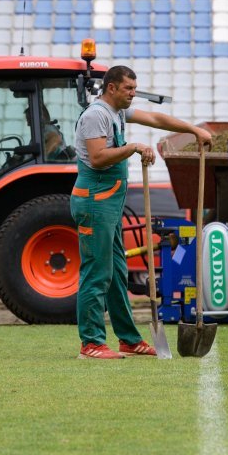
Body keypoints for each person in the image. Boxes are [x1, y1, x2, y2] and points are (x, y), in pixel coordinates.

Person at [71, 64, 212, 360]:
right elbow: (97, 158)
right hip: (95, 200)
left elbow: (156, 118)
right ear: (111, 88)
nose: (133, 94)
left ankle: (128, 339)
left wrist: (193, 130)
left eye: (134, 88)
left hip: (108, 201)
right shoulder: (96, 115)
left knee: (116, 272)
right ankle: (91, 343)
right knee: (97, 272)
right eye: (129, 89)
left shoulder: (117, 112)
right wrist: (133, 147)